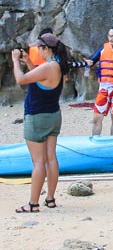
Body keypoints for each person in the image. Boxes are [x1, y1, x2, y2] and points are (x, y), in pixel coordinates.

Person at [11, 32, 70, 213]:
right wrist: (28, 62)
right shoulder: (59, 65)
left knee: (38, 162)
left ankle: (33, 204)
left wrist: (15, 61)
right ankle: (50, 199)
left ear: (46, 49)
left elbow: (21, 80)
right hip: (53, 116)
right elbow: (39, 79)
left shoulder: (48, 67)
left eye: (39, 48)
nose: (38, 50)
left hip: (37, 117)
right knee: (51, 158)